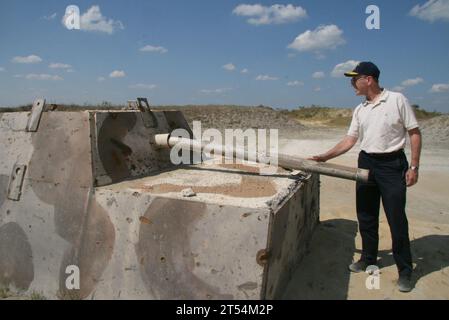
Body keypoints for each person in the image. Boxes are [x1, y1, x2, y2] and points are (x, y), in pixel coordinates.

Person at [309, 61, 422, 292]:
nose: (352, 84)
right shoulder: (360, 109)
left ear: (368, 79)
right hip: (366, 163)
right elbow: (350, 140)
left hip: (392, 165)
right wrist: (325, 156)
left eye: (354, 79)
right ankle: (368, 259)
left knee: (396, 219)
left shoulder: (397, 100)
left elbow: (414, 133)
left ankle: (405, 271)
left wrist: (414, 167)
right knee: (366, 216)